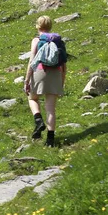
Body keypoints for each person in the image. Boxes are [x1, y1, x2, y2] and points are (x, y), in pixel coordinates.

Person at [25, 15, 67, 147]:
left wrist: (27, 80)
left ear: (38, 26)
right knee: (51, 109)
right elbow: (64, 64)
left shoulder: (36, 40)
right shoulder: (59, 41)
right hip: (56, 74)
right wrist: (62, 81)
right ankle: (50, 140)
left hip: (40, 72)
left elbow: (32, 60)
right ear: (50, 26)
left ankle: (38, 120)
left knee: (32, 98)